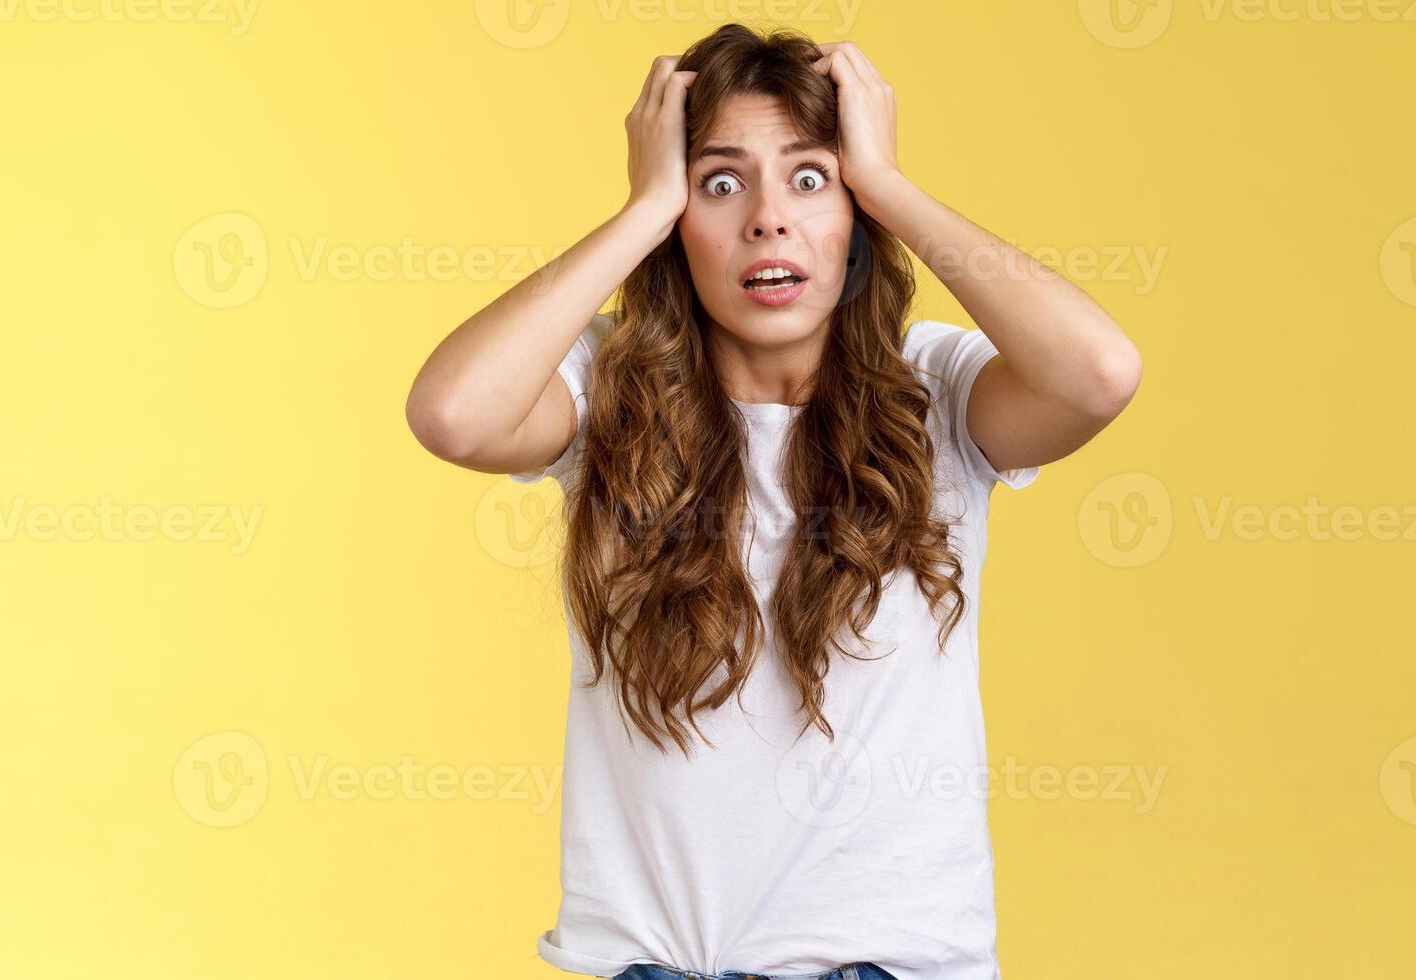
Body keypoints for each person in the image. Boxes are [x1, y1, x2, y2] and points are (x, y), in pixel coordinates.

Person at [404, 23, 1142, 980]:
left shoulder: (937, 389)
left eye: (809, 178)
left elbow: (1099, 372)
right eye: (720, 183)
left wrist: (887, 184)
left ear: (854, 218)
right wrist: (643, 208)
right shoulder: (603, 391)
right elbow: (452, 415)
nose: (767, 220)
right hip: (653, 963)